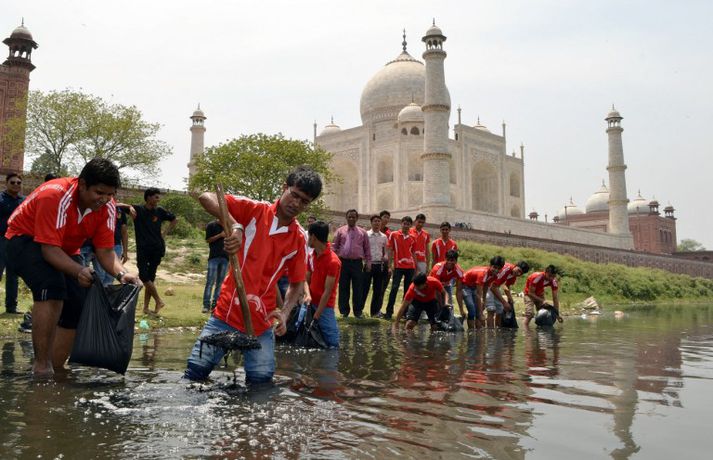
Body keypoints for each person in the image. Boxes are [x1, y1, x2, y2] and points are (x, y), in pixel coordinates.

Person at [184, 166, 322, 385]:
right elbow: (206, 197)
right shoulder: (254, 210)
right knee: (192, 378)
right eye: (294, 195)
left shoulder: (299, 239)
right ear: (284, 188)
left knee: (260, 387)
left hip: (262, 323)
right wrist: (234, 225)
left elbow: (296, 284)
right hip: (225, 315)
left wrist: (285, 314)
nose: (296, 203)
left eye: (304, 201)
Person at [5, 159, 141, 376]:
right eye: (99, 192)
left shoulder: (107, 206)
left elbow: (105, 252)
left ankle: (56, 368)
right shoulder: (56, 195)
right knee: (52, 287)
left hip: (64, 248)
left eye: (110, 194)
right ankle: (41, 366)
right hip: (22, 239)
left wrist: (122, 273)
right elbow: (49, 250)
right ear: (83, 184)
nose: (104, 199)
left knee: (79, 300)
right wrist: (79, 271)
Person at [130, 188, 177, 315]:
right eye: (156, 197)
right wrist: (127, 207)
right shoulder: (137, 209)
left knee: (150, 277)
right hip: (143, 248)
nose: (158, 199)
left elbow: (174, 219)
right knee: (144, 276)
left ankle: (146, 308)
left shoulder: (160, 211)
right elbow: (117, 205)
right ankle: (158, 300)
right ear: (149, 197)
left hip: (157, 248)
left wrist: (165, 233)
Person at [302, 220, 341, 347]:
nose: (307, 239)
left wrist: (316, 317)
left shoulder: (333, 261)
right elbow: (305, 280)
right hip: (309, 302)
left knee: (333, 343)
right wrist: (307, 295)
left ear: (313, 237)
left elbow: (327, 292)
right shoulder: (311, 256)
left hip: (324, 307)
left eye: (308, 236)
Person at [332, 209, 371, 318]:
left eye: (353, 217)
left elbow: (367, 248)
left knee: (358, 288)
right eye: (349, 217)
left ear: (357, 218)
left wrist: (368, 262)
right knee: (343, 287)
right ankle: (344, 311)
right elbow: (334, 246)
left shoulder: (362, 232)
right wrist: (333, 261)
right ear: (346, 218)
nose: (351, 219)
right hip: (343, 263)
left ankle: (358, 311)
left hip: (357, 263)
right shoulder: (340, 231)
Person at [0, 173, 25, 314]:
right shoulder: (1, 199)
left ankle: (11, 307)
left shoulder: (24, 201)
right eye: (13, 182)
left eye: (18, 183)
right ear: (6, 183)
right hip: (1, 240)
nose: (16, 185)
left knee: (12, 274)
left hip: (16, 241)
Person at [385, 216, 416, 320]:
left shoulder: (413, 237)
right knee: (394, 288)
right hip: (398, 266)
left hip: (410, 267)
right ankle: (389, 312)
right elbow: (390, 250)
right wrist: (389, 265)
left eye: (408, 224)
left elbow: (413, 253)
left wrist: (415, 267)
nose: (406, 225)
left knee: (407, 291)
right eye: (404, 223)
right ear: (401, 223)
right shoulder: (394, 235)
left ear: (410, 226)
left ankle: (404, 313)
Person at [462, 257, 505, 330]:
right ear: (490, 265)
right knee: (472, 308)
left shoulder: (494, 275)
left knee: (479, 309)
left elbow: (485, 286)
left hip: (474, 286)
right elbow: (479, 294)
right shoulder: (483, 273)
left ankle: (478, 332)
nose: (496, 270)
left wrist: (484, 301)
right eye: (494, 267)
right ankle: (471, 331)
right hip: (465, 286)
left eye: (498, 268)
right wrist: (481, 313)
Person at [487, 260, 530, 327]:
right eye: (518, 270)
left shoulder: (513, 275)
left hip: (495, 287)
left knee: (499, 311)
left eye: (521, 273)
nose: (518, 274)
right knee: (491, 310)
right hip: (487, 285)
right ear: (515, 266)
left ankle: (498, 330)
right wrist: (504, 302)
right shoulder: (506, 269)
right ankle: (490, 332)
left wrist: (510, 298)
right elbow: (493, 286)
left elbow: (506, 285)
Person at [362, 214, 388, 317]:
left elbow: (385, 251)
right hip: (368, 264)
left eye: (378, 221)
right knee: (364, 289)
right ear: (371, 222)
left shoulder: (384, 236)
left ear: (381, 223)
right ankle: (359, 311)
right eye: (375, 221)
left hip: (379, 265)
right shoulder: (366, 234)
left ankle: (375, 312)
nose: (377, 223)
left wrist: (385, 257)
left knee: (378, 290)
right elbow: (362, 249)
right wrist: (365, 262)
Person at [429, 249, 466, 317]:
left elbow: (459, 291)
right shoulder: (438, 267)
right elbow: (436, 289)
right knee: (437, 306)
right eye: (448, 260)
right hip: (432, 286)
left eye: (452, 260)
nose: (449, 262)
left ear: (456, 261)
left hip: (446, 285)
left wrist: (461, 310)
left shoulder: (459, 270)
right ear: (445, 259)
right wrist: (441, 305)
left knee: (449, 307)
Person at [202, 219, 228, 313]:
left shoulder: (228, 225)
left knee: (220, 284)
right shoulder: (211, 225)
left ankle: (215, 305)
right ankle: (206, 305)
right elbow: (208, 240)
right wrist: (220, 235)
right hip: (213, 257)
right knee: (210, 282)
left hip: (225, 258)